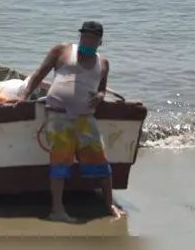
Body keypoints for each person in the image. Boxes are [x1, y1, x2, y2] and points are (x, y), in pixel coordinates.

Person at [18, 21, 124, 222]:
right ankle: (57, 210)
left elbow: (101, 88)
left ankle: (109, 203)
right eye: (84, 36)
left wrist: (101, 96)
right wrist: (24, 98)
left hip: (85, 118)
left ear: (100, 42)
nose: (87, 41)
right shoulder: (63, 51)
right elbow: (39, 74)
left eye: (92, 38)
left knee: (101, 161)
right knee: (60, 163)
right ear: (80, 36)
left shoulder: (103, 63)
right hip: (58, 115)